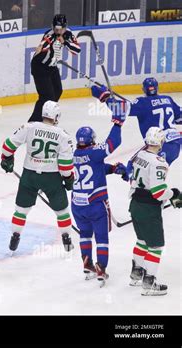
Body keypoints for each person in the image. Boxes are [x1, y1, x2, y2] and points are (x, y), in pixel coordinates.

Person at [0, 100, 75, 253]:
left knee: (21, 210)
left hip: (29, 176)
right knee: (62, 211)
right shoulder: (63, 135)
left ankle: (15, 236)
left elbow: (8, 146)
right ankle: (66, 239)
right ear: (56, 116)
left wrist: (6, 159)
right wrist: (68, 179)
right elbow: (66, 164)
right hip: (51, 179)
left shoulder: (29, 127)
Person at [71, 99, 128, 286]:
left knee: (85, 234)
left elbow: (96, 167)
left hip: (77, 206)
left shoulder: (74, 155)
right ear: (91, 140)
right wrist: (118, 122)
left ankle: (86, 264)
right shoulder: (95, 152)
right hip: (96, 204)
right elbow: (114, 142)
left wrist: (113, 169)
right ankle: (101, 268)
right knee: (102, 237)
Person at [127, 127, 182, 296]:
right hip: (148, 209)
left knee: (142, 241)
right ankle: (149, 283)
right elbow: (158, 193)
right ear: (161, 142)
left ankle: (136, 273)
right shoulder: (159, 162)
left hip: (135, 204)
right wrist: (174, 193)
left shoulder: (138, 156)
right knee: (156, 246)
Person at [91, 77, 182, 165]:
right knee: (159, 172)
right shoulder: (168, 99)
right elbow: (179, 117)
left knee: (139, 170)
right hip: (176, 143)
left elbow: (118, 108)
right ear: (157, 88)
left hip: (158, 146)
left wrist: (105, 96)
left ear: (143, 89)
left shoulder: (142, 102)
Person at [28, 14, 81, 122]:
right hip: (40, 67)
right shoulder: (50, 34)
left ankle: (47, 115)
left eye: (60, 29)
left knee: (57, 90)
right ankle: (34, 122)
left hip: (52, 67)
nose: (57, 32)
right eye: (55, 29)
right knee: (46, 96)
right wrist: (41, 47)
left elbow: (77, 50)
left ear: (65, 27)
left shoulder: (69, 34)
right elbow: (44, 43)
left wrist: (65, 42)